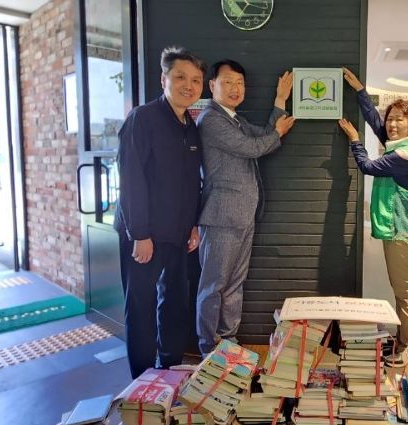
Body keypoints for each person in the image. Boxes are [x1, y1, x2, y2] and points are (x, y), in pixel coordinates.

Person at [114, 46, 206, 378]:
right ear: (163, 79)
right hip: (144, 236)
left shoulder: (190, 126)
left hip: (178, 234)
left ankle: (168, 367)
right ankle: (140, 380)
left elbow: (192, 182)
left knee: (175, 303)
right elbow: (131, 179)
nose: (189, 85)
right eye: (180, 77)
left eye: (196, 80)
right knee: (141, 308)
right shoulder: (143, 118)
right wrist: (140, 234)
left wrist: (193, 225)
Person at [195, 60, 295, 356]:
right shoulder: (211, 120)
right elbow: (253, 148)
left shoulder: (234, 119)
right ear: (212, 85)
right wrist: (277, 133)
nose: (235, 88)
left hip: (242, 215)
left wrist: (280, 101)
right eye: (227, 82)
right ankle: (208, 348)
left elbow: (264, 135)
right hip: (221, 216)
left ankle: (228, 342)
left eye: (239, 82)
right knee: (213, 287)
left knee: (234, 285)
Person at [339, 68, 408, 364]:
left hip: (402, 231)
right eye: (391, 119)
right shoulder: (403, 145)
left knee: (404, 293)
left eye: (400, 119)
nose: (392, 124)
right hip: (400, 229)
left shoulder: (403, 155)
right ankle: (405, 340)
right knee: (403, 290)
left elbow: (367, 166)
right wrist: (361, 91)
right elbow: (377, 124)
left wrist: (354, 139)